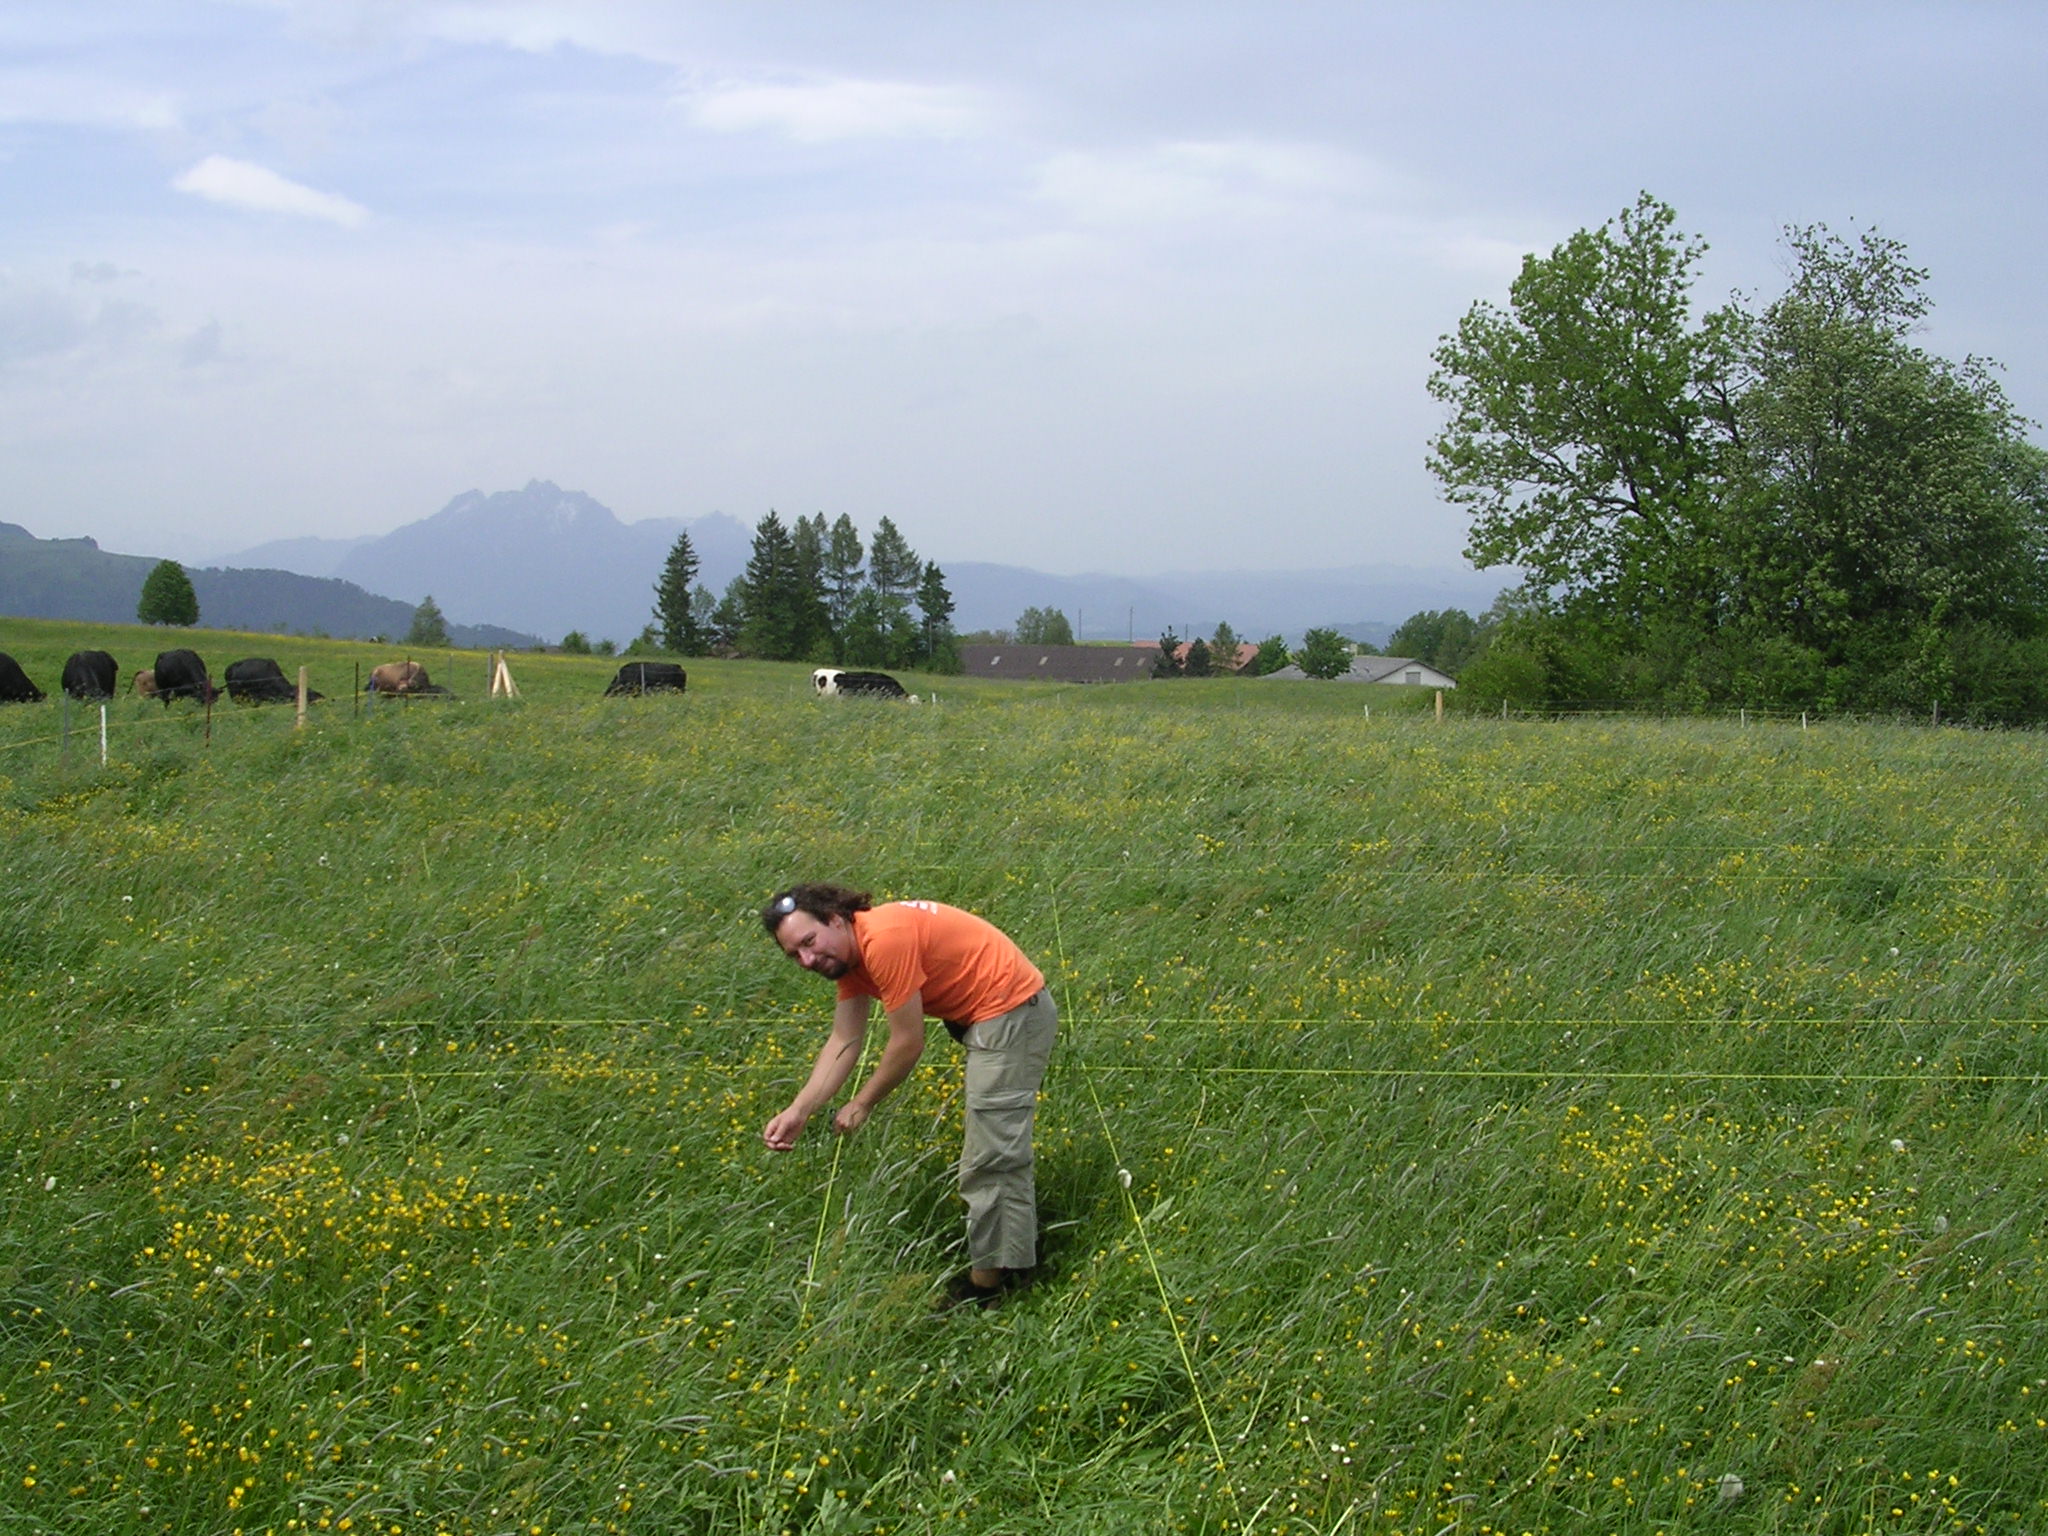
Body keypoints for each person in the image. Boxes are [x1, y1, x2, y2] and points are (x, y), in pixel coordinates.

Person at [760, 883, 1057, 1309]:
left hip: (1011, 1012)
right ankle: (1012, 1254)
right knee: (995, 1145)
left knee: (990, 1157)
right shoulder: (850, 957)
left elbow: (907, 1042)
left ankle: (991, 1287)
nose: (807, 959)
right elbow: (845, 1038)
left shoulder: (883, 940)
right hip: (985, 1017)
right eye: (794, 955)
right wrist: (800, 1110)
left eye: (809, 942)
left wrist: (862, 1103)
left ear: (835, 920)